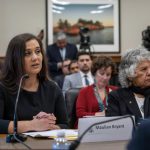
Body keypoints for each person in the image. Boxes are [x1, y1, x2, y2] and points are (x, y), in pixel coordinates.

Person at [0, 33, 68, 134]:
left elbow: (64, 124)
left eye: (38, 51)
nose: (35, 58)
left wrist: (49, 125)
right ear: (15, 59)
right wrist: (32, 125)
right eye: (27, 53)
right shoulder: (2, 87)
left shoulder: (53, 88)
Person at [106, 48, 150, 124]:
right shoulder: (116, 97)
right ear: (130, 75)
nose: (149, 72)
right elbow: (112, 129)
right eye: (144, 69)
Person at [76, 56, 118, 127]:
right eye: (102, 74)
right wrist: (99, 114)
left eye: (108, 74)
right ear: (94, 73)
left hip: (111, 126)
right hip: (89, 127)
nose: (105, 77)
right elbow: (80, 113)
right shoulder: (84, 92)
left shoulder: (116, 91)